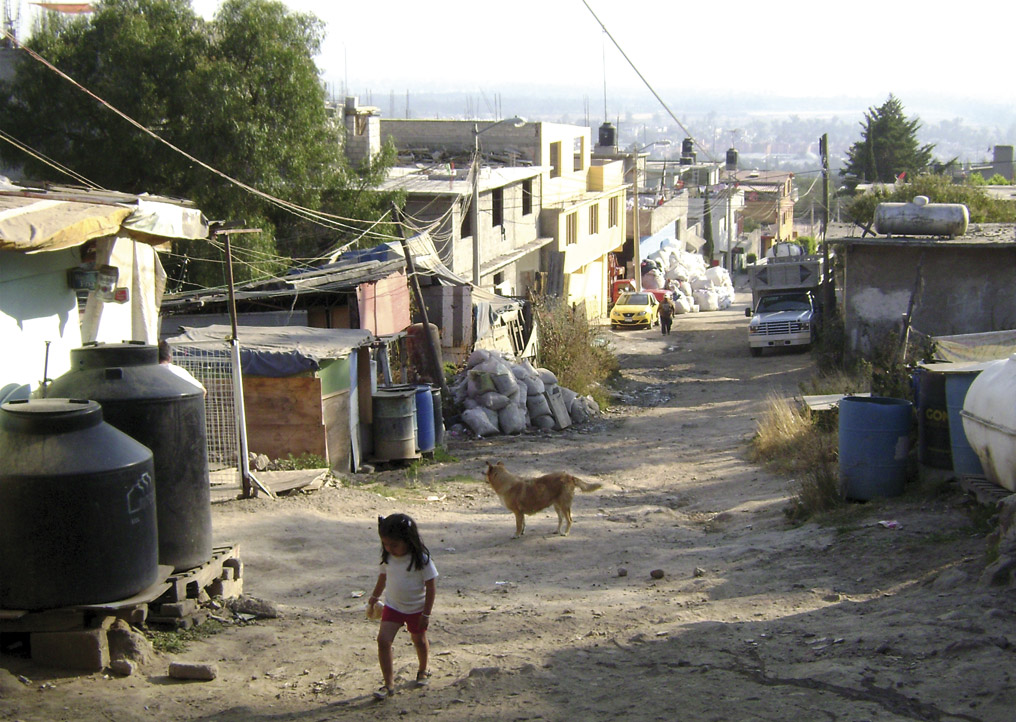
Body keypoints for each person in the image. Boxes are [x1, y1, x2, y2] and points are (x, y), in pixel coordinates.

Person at [368, 513, 438, 700]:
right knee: (383, 641)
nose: (389, 549)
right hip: (393, 608)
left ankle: (423, 669)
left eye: (394, 545)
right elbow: (382, 578)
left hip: (416, 609)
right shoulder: (388, 558)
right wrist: (374, 596)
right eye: (385, 544)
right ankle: (388, 684)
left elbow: (431, 587)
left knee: (419, 640)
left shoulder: (421, 560)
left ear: (408, 540)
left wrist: (426, 613)